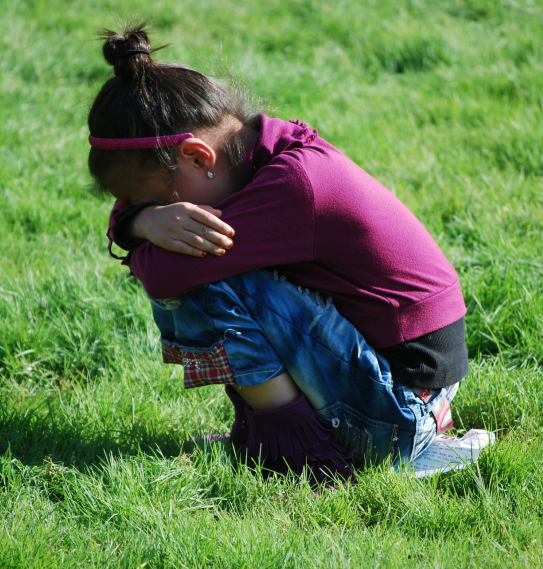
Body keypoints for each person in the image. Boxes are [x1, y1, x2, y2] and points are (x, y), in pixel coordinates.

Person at [88, 24, 469, 485]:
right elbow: (133, 223)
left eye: (160, 201)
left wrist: (141, 233)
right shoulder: (261, 149)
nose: (166, 215)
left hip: (399, 411)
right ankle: (270, 433)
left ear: (198, 157)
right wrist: (141, 221)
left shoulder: (296, 186)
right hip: (402, 388)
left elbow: (165, 276)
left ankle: (301, 451)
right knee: (200, 257)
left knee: (206, 277)